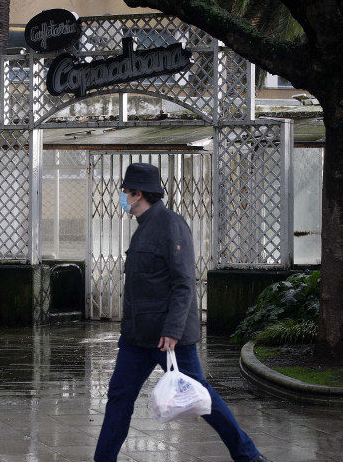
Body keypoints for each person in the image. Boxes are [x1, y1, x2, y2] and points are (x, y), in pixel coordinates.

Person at [94, 163, 267, 462]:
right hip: (137, 337)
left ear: (138, 193)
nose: (122, 197)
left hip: (168, 337)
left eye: (125, 192)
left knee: (202, 399)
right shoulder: (143, 228)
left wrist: (173, 329)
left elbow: (184, 282)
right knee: (119, 399)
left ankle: (248, 456)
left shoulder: (170, 225)